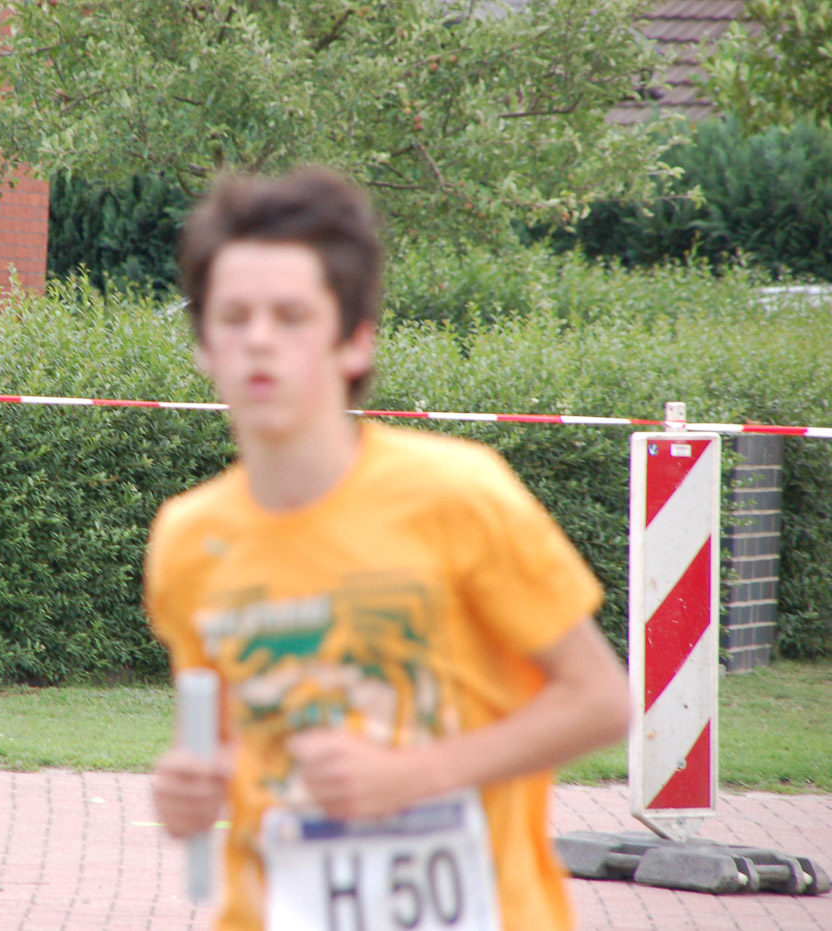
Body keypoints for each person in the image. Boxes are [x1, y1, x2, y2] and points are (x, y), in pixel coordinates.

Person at [145, 168, 630, 931]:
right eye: (233, 316)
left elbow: (600, 700)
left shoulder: (459, 493)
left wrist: (415, 775)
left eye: (291, 315)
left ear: (354, 340)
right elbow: (231, 746)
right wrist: (187, 793)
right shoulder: (186, 538)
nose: (259, 338)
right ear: (204, 343)